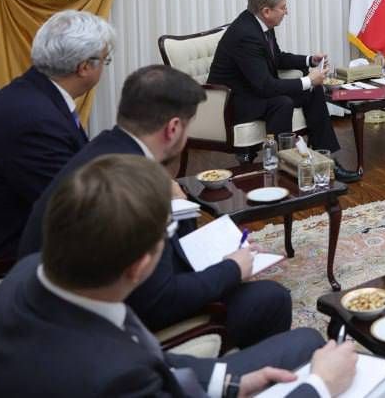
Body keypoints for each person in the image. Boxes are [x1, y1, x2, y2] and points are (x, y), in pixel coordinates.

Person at [0, 154, 357, 398]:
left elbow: (150, 358)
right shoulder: (113, 377)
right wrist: (318, 387)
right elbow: (133, 367)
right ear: (138, 266)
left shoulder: (27, 272)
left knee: (306, 342)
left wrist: (229, 384)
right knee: (324, 361)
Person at [18, 66, 294, 349]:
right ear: (173, 129)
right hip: (94, 329)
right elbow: (160, 300)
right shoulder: (134, 183)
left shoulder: (108, 149)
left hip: (48, 299)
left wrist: (179, 205)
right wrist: (233, 268)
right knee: (272, 299)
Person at [0, 10, 114, 260]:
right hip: (17, 254)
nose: (104, 67)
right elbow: (77, 206)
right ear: (84, 68)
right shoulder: (35, 121)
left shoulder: (32, 92)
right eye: (105, 60)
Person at [208, 0, 359, 183]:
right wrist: (308, 80)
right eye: (283, 8)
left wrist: (309, 60)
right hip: (232, 102)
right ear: (266, 11)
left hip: (253, 90)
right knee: (283, 103)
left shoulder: (261, 24)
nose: (286, 12)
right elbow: (265, 86)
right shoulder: (245, 34)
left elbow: (276, 58)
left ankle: (327, 162)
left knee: (313, 91)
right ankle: (286, 169)